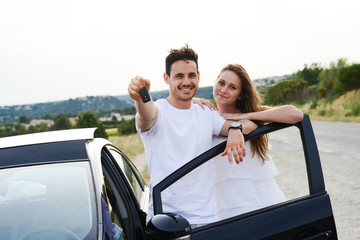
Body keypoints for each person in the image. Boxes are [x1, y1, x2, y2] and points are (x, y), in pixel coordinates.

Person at [128, 45, 253, 227]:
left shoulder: (206, 112)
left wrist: (234, 128)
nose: (186, 81)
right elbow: (146, 115)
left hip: (208, 221)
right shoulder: (159, 112)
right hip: (166, 224)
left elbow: (249, 125)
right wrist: (141, 98)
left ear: (198, 77)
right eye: (179, 76)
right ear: (166, 78)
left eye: (191, 75)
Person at [194, 63, 303, 220]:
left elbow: (296, 114)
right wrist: (193, 100)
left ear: (241, 94)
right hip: (225, 206)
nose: (224, 90)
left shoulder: (250, 114)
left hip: (261, 202)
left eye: (232, 87)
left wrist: (246, 116)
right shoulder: (207, 115)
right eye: (221, 83)